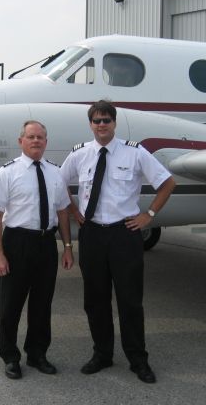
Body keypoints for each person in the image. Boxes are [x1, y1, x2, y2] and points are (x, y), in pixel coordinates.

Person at [60, 100, 175, 384]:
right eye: (97, 121)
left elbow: (167, 182)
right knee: (95, 300)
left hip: (124, 234)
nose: (102, 125)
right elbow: (58, 183)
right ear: (90, 124)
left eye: (106, 120)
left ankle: (138, 359)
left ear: (114, 123)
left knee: (130, 301)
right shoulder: (80, 154)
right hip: (93, 235)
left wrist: (148, 214)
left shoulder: (135, 153)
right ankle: (102, 354)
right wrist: (75, 210)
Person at [0, 120, 73, 380]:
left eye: (41, 137)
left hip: (46, 243)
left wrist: (67, 247)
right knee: (11, 304)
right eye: (31, 137)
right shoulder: (8, 172)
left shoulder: (55, 172)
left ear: (46, 142)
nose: (36, 141)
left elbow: (63, 212)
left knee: (42, 304)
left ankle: (37, 354)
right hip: (17, 243)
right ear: (21, 141)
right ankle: (10, 357)